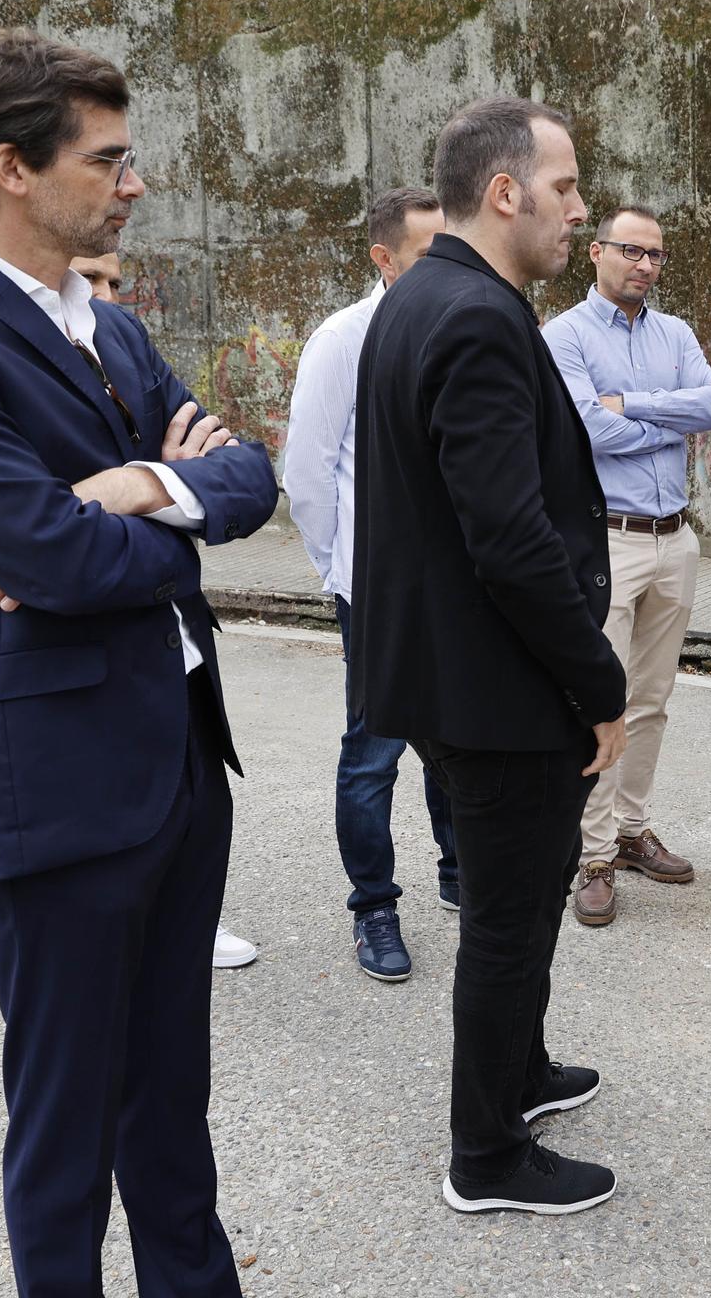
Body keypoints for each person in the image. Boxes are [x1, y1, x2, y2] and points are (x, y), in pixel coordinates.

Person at [0, 27, 278, 1295]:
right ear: (12, 169)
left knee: (172, 1113)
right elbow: (56, 561)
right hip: (56, 791)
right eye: (111, 159)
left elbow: (248, 480)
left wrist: (135, 485)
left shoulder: (112, 325)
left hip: (180, 769)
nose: (135, 183)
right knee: (64, 1134)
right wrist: (156, 512)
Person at [352, 97, 626, 1215]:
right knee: (509, 920)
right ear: (504, 192)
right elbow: (507, 539)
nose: (578, 211)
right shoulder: (471, 314)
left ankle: (518, 1073)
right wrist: (597, 684)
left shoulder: (425, 295)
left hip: (456, 678)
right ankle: (486, 1153)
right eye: (564, 190)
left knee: (524, 894)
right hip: (499, 688)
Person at [69, 251, 259, 974]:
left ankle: (189, 920)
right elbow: (37, 546)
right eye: (90, 279)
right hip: (87, 669)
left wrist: (127, 484)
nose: (108, 296)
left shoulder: (121, 341)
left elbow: (245, 478)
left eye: (115, 280)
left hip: (180, 657)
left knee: (189, 823)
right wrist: (174, 486)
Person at [286, 186, 459, 979]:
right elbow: (309, 475)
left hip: (460, 589)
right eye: (429, 251)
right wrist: (342, 573)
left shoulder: (464, 321)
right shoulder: (343, 338)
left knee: (456, 741)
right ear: (383, 260)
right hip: (380, 595)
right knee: (374, 754)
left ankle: (461, 873)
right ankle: (375, 909)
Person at [543, 204, 711, 925]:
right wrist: (664, 418)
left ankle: (628, 830)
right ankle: (590, 856)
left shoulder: (675, 334)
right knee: (604, 702)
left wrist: (639, 405)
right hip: (608, 541)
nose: (645, 265)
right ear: (596, 253)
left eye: (655, 255)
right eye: (631, 251)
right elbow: (588, 427)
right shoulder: (564, 336)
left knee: (652, 699)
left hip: (675, 538)